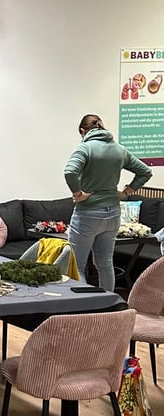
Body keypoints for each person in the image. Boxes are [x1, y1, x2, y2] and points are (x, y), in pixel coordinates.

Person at [64, 113, 152, 291]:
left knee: (77, 264)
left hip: (88, 213)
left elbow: (70, 172)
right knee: (105, 263)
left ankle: (80, 310)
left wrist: (78, 193)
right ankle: (108, 308)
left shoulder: (85, 148)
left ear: (83, 131)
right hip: (113, 213)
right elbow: (145, 171)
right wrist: (127, 192)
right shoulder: (119, 149)